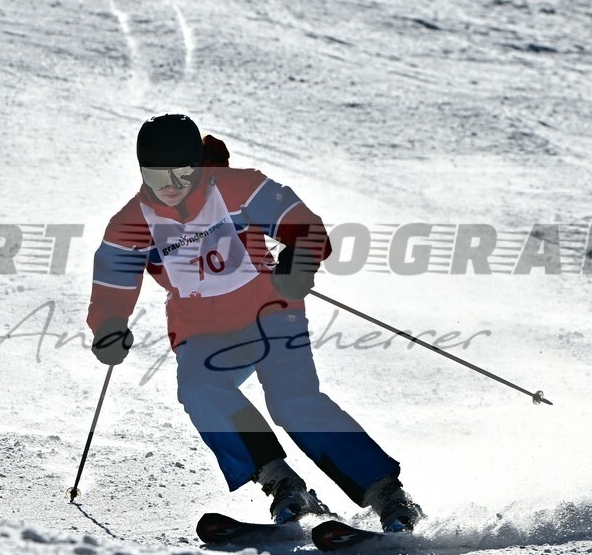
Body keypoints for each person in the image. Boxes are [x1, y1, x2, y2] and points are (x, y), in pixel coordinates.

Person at [85, 113, 423, 532]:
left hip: (270, 313)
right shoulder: (130, 223)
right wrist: (109, 325)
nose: (170, 185)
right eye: (157, 177)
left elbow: (308, 228)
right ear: (142, 173)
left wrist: (299, 261)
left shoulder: (238, 188)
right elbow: (112, 282)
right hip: (200, 330)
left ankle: (386, 493)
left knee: (292, 401)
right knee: (199, 389)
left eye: (182, 172)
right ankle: (281, 483)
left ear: (200, 166)